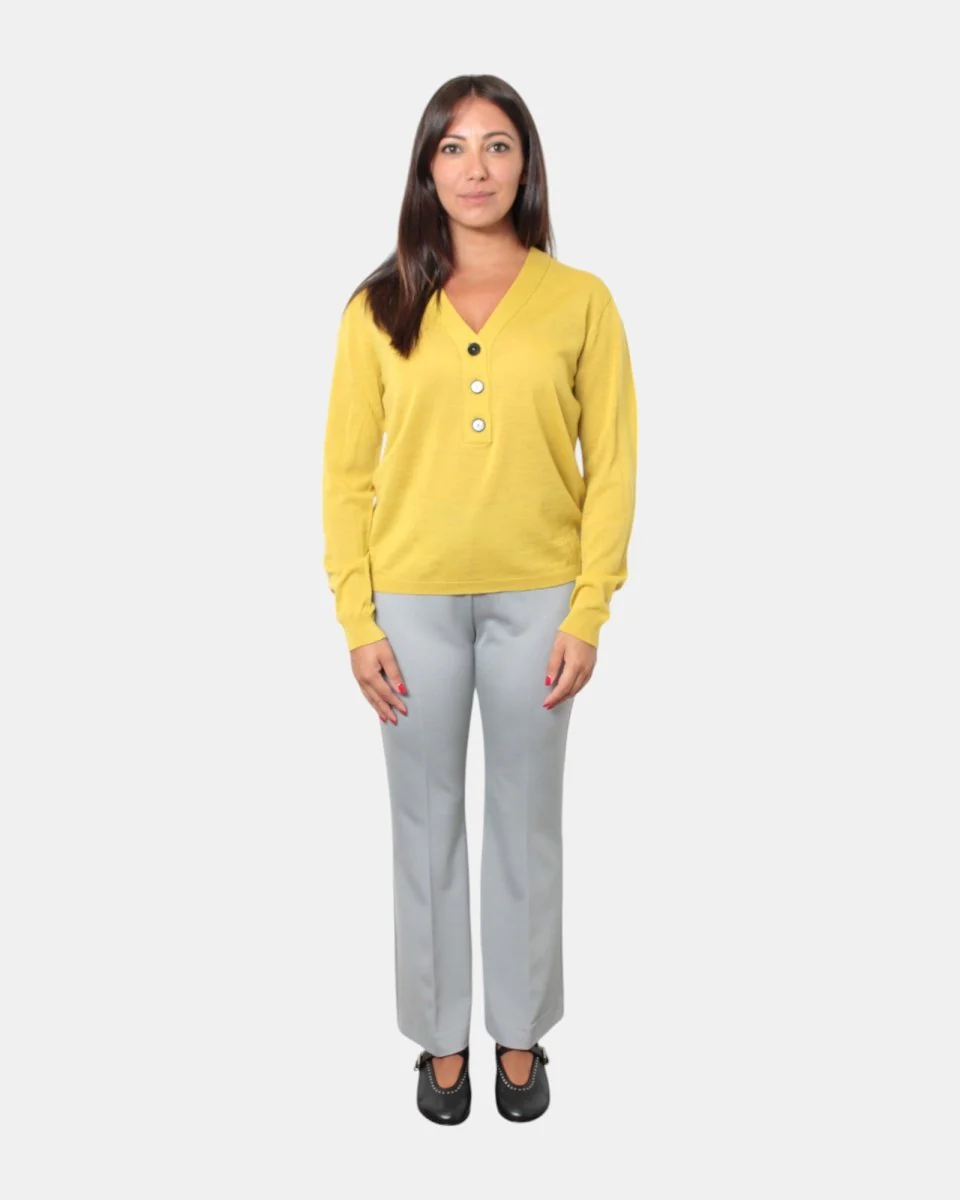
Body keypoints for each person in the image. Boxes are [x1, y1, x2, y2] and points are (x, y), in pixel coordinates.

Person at [322, 73, 638, 1125]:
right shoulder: (377, 307)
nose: (476, 168)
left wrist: (588, 609)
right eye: (453, 148)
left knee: (525, 822)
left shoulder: (581, 301)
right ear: (427, 168)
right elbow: (345, 477)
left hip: (539, 600)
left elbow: (613, 467)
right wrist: (358, 619)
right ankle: (440, 1039)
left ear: (526, 165)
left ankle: (520, 1033)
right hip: (409, 602)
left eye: (498, 145)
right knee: (424, 827)